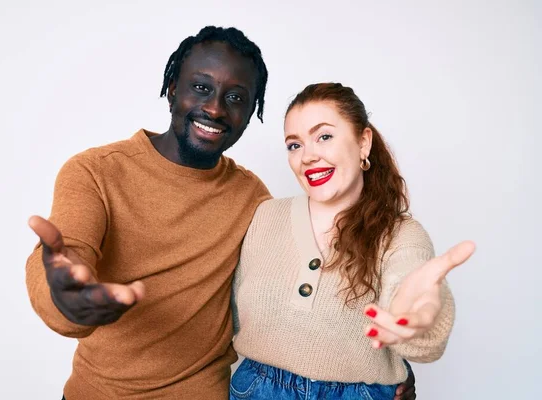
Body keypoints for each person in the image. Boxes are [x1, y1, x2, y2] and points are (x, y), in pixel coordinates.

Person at [25, 26, 417, 399]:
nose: (214, 108)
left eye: (235, 97)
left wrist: (386, 372)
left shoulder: (253, 199)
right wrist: (66, 295)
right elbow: (68, 254)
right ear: (172, 89)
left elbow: (308, 297)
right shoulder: (95, 171)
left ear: (251, 113)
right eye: (201, 88)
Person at [230, 83, 475, 399]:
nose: (308, 156)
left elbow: (413, 292)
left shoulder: (401, 235)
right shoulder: (265, 215)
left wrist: (417, 316)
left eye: (324, 137)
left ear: (363, 143)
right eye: (294, 145)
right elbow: (226, 315)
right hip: (255, 389)